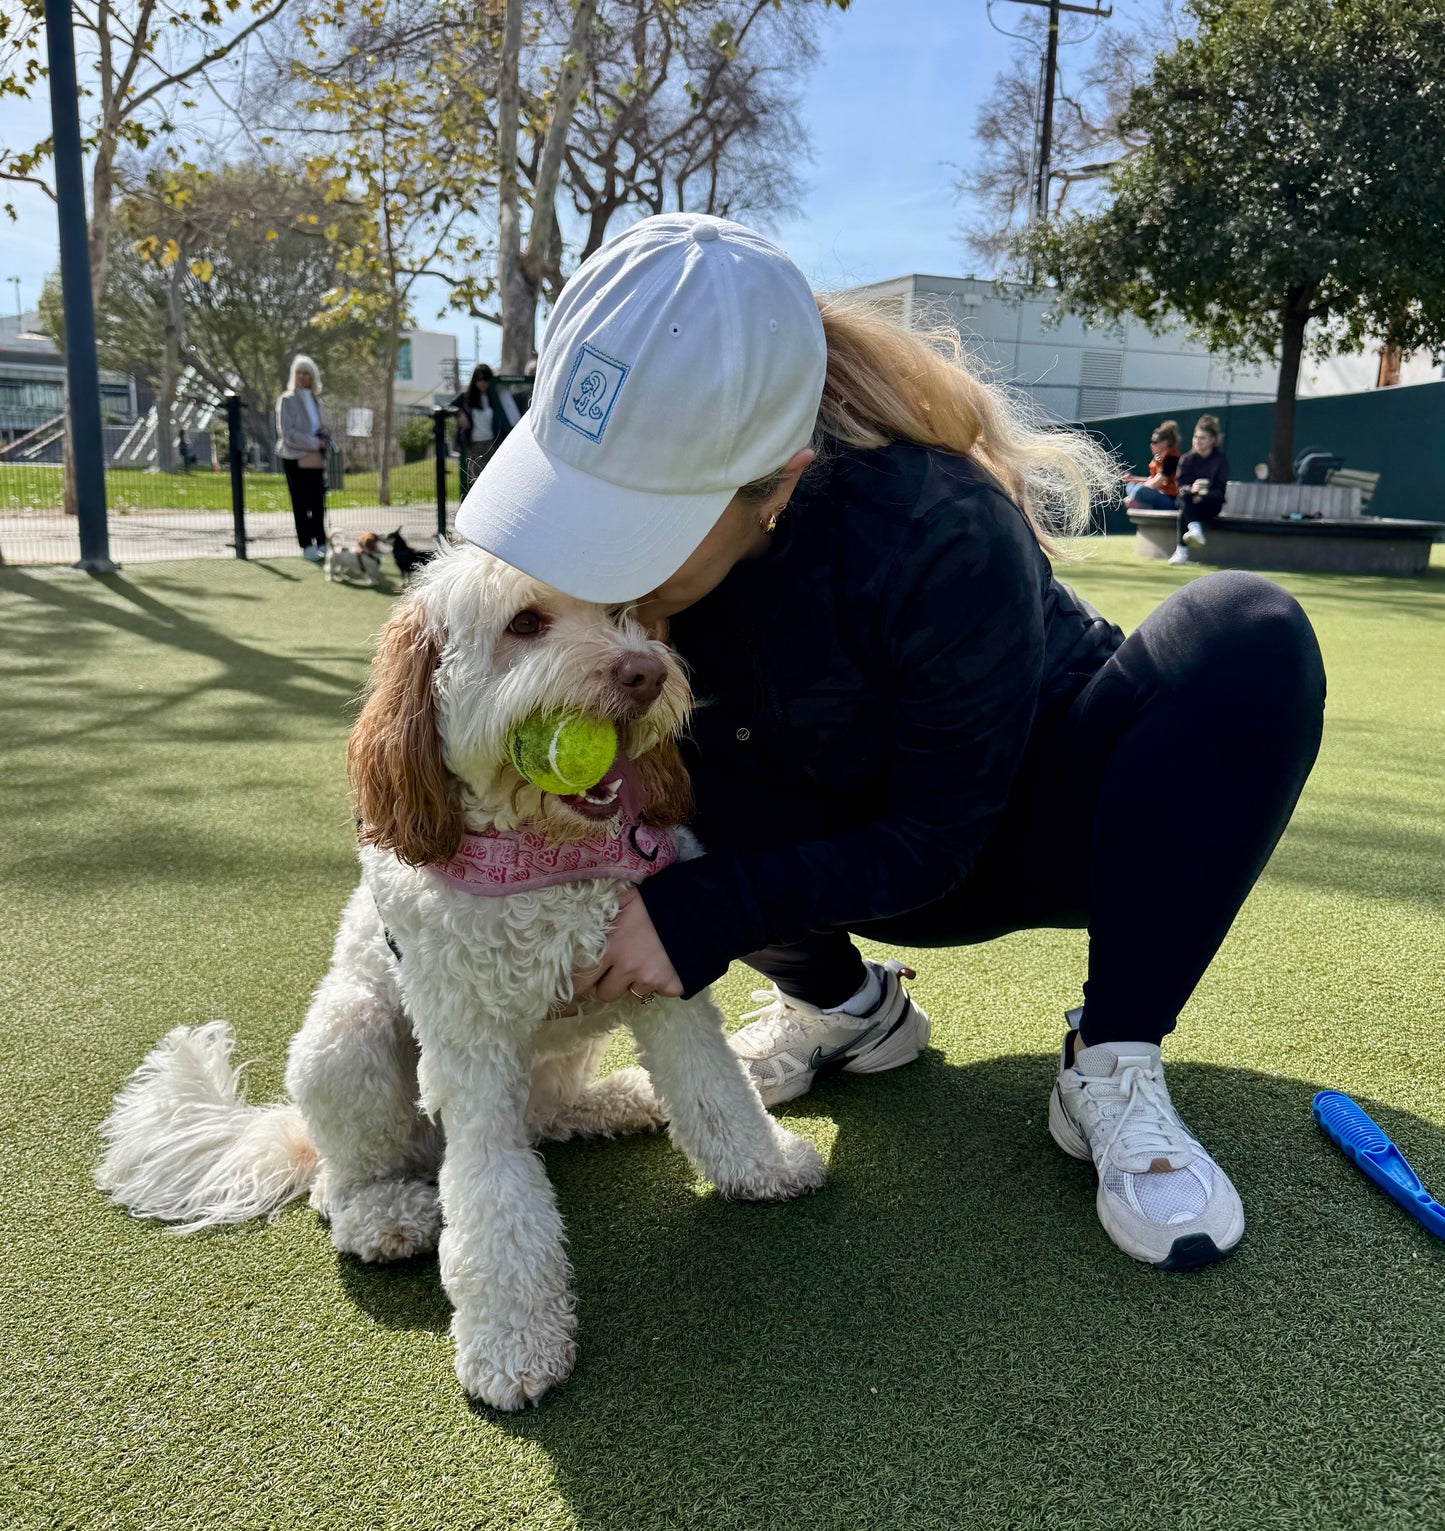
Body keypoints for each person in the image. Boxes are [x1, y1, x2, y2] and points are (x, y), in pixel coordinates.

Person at [454, 214, 1325, 1273]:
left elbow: (937, 833)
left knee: (1249, 635)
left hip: (1027, 826)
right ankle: (844, 1011)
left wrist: (709, 906)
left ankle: (1112, 1052)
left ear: (776, 482)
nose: (591, 561)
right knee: (679, 753)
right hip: (822, 838)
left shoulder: (933, 519)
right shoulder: (628, 594)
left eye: (636, 520)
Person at [276, 354, 332, 562]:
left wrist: (325, 435)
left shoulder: (317, 401)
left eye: (305, 373)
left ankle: (322, 542)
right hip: (294, 457)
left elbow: (319, 428)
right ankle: (307, 545)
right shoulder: (287, 400)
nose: (300, 377)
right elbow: (287, 433)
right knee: (301, 503)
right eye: (297, 372)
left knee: (317, 503)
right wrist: (313, 443)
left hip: (315, 457)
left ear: (312, 376)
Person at [1169, 414, 1230, 566]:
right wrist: (1192, 490)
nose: (1197, 441)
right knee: (1185, 500)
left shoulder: (1220, 460)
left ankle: (1182, 551)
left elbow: (1220, 492)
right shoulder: (1186, 459)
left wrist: (1203, 495)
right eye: (1195, 437)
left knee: (1186, 508)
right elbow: (1180, 486)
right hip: (1189, 502)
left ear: (1212, 440)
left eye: (1202, 438)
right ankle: (1195, 530)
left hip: (1210, 505)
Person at [452, 364, 511, 489]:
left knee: (494, 482)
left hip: (493, 444)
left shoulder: (495, 398)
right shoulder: (466, 398)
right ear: (474, 381)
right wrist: (460, 414)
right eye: (479, 379)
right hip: (474, 445)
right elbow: (451, 407)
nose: (482, 383)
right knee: (476, 483)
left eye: (485, 379)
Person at [1124, 420, 1180, 510]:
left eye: (1155, 442)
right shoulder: (1158, 459)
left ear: (1165, 443)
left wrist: (1135, 494)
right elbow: (1151, 479)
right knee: (1130, 486)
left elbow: (1156, 483)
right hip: (1159, 495)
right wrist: (1133, 479)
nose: (1151, 445)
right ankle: (1145, 506)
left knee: (1139, 491)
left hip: (1171, 500)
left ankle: (1139, 504)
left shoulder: (1172, 459)